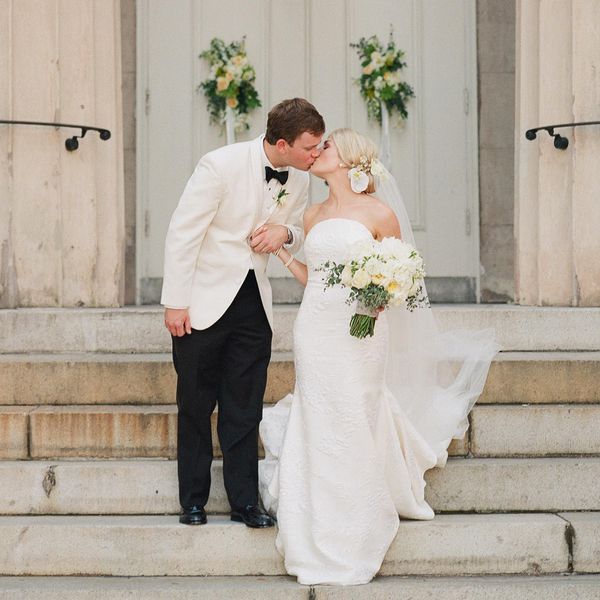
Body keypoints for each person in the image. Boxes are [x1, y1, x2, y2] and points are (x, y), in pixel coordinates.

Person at [259, 128, 498, 585]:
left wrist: (377, 299)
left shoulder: (379, 213)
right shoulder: (311, 215)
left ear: (348, 159)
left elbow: (403, 274)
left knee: (354, 410)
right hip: (316, 326)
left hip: (362, 329)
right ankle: (317, 510)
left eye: (326, 146)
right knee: (321, 410)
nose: (317, 151)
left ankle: (358, 516)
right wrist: (285, 257)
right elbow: (316, 278)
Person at [161, 98, 325, 528]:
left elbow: (305, 228)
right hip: (202, 304)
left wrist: (284, 231)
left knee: (245, 407)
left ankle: (245, 503)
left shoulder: (301, 178)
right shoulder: (219, 165)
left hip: (255, 305)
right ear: (284, 143)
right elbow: (183, 231)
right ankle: (192, 501)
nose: (317, 155)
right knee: (195, 404)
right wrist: (176, 301)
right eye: (311, 147)